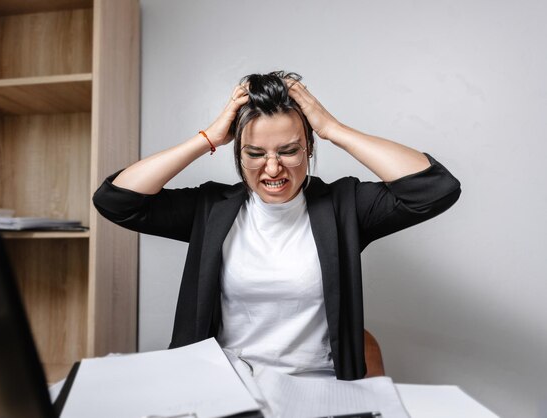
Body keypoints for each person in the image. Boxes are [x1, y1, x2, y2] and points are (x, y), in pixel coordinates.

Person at [92, 71, 461, 380]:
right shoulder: (211, 209)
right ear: (238, 153)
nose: (273, 168)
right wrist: (208, 138)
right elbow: (116, 201)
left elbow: (435, 188)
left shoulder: (343, 207)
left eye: (288, 150)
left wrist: (333, 128)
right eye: (255, 153)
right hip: (227, 387)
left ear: (309, 149)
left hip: (318, 387)